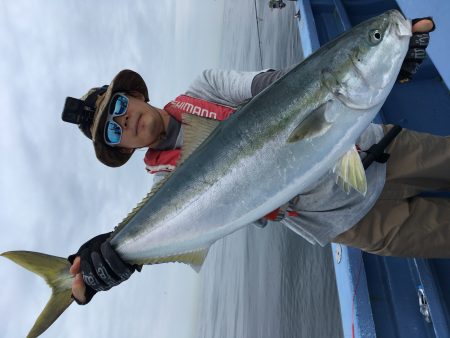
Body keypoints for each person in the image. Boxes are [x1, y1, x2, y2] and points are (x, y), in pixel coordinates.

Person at [64, 18, 445, 305]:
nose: (123, 121)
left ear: (133, 95)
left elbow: (284, 85)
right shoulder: (165, 189)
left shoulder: (208, 86)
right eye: (113, 132)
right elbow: (160, 234)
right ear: (124, 149)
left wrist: (385, 63)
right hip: (349, 220)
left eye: (117, 106)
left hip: (379, 149)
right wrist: (113, 256)